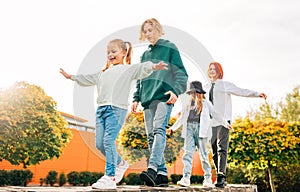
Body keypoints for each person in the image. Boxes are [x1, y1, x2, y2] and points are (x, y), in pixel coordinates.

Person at [60, 39, 168, 190]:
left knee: (108, 140)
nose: (110, 55)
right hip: (101, 110)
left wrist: (154, 67)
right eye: (108, 52)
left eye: (114, 51)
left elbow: (141, 68)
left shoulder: (127, 69)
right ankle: (121, 163)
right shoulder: (103, 73)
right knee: (99, 144)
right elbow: (87, 78)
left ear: (124, 53)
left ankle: (110, 177)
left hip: (116, 110)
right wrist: (71, 76)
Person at [131, 18, 188, 187]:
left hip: (164, 96)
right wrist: (136, 98)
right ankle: (162, 174)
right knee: (150, 137)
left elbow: (182, 73)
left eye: (150, 30)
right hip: (147, 99)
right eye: (145, 31)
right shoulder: (145, 55)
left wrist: (176, 90)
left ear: (157, 29)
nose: (148, 34)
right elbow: (140, 78)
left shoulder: (169, 47)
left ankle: (152, 168)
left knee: (158, 130)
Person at [206, 62, 267, 188]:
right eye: (210, 69)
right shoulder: (206, 86)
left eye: (214, 69)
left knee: (221, 147)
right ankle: (219, 172)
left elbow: (241, 91)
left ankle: (221, 176)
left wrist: (257, 94)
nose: (212, 71)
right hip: (211, 122)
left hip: (224, 121)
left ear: (219, 71)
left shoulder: (225, 85)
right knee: (213, 150)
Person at [167, 81, 231, 187]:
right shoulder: (188, 105)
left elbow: (215, 114)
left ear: (200, 92)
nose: (193, 94)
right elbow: (182, 118)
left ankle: (207, 179)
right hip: (189, 129)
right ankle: (186, 178)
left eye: (195, 92)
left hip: (201, 130)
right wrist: (172, 128)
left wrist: (225, 123)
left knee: (203, 155)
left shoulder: (206, 104)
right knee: (187, 154)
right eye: (191, 92)